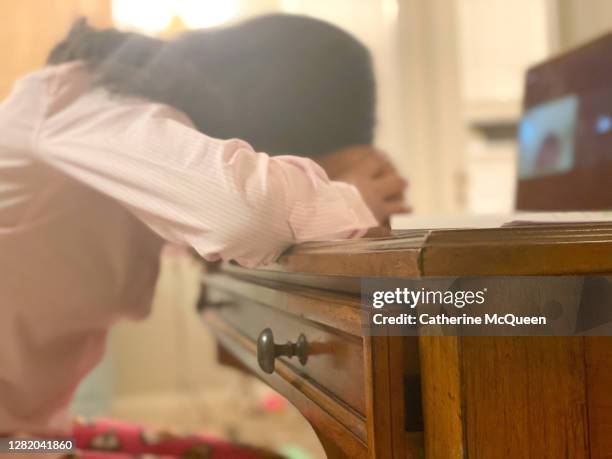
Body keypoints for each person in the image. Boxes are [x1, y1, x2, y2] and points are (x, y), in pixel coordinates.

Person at [0, 14, 407, 458]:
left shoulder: (108, 126)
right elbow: (245, 213)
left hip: (34, 435)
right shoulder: (76, 98)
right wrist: (350, 196)